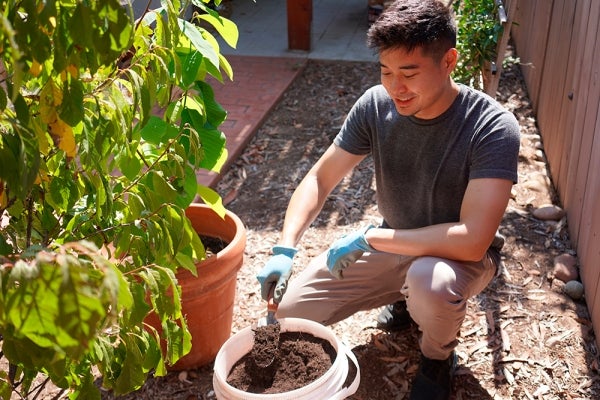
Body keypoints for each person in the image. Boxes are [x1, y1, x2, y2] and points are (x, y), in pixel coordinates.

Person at [256, 0, 520, 398]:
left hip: (456, 260)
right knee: (292, 313)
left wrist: (369, 238)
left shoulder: (492, 126)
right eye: (385, 71)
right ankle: (404, 301)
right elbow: (320, 179)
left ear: (449, 61)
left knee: (429, 283)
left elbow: (472, 239)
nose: (396, 87)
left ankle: (435, 357)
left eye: (409, 73)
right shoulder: (376, 106)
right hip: (394, 239)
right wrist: (284, 247)